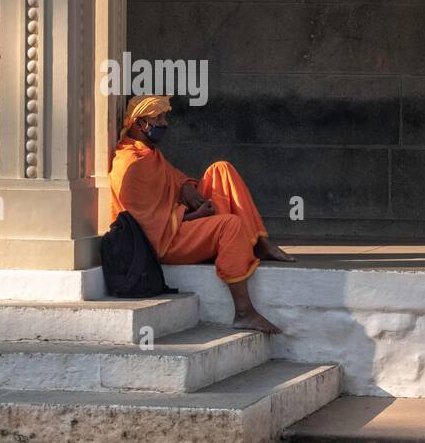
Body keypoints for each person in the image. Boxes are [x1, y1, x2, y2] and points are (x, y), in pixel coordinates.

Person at [109, 95, 295, 334]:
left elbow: (175, 177)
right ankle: (244, 312)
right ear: (139, 124)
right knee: (230, 225)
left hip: (178, 221)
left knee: (221, 169)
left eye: (165, 117)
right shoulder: (130, 164)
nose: (165, 124)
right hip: (165, 243)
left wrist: (186, 186)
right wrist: (195, 216)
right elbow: (148, 229)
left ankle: (260, 243)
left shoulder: (149, 152)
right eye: (159, 118)